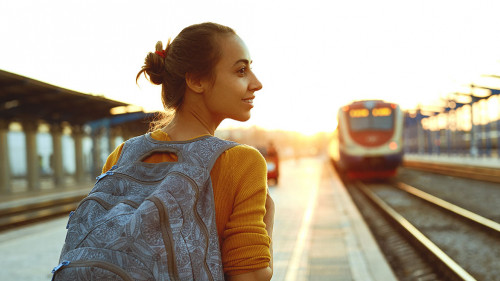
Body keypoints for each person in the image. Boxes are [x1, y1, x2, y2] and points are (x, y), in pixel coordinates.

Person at [102, 22, 274, 281]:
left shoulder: (122, 156)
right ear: (196, 80)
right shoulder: (241, 162)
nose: (256, 83)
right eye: (241, 70)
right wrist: (268, 217)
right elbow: (250, 276)